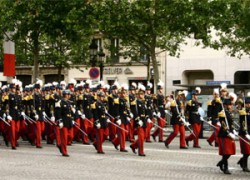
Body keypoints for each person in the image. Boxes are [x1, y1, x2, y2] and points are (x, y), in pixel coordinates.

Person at [216, 98, 237, 174]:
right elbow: (224, 125)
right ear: (225, 105)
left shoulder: (229, 113)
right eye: (229, 105)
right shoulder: (222, 113)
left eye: (231, 105)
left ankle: (221, 163)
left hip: (230, 133)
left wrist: (234, 130)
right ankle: (225, 168)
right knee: (226, 152)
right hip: (224, 134)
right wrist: (228, 132)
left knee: (230, 152)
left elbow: (231, 123)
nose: (231, 106)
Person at [130, 83, 147, 156]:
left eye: (142, 94)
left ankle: (133, 146)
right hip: (139, 121)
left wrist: (147, 118)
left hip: (144, 121)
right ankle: (141, 151)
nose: (141, 96)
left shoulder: (143, 102)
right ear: (137, 95)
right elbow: (134, 112)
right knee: (141, 137)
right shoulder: (135, 102)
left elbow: (145, 112)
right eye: (139, 94)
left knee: (144, 137)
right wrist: (138, 120)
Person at [58, 90, 74, 157]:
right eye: (68, 94)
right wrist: (60, 121)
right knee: (64, 138)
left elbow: (70, 112)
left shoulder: (68, 102)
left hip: (69, 121)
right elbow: (58, 113)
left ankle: (60, 145)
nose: (69, 96)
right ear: (65, 95)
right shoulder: (60, 102)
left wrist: (72, 118)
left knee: (70, 136)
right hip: (64, 121)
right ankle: (64, 151)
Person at [237, 95, 250, 172]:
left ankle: (241, 161)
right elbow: (243, 123)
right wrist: (246, 132)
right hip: (244, 132)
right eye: (247, 103)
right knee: (246, 151)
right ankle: (244, 166)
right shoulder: (243, 111)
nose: (248, 105)